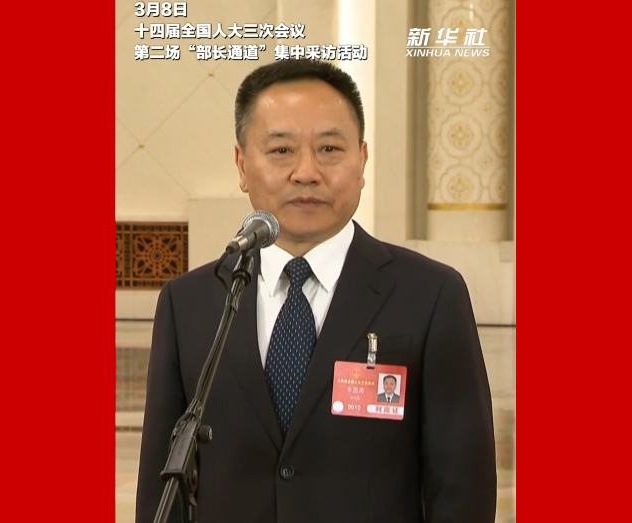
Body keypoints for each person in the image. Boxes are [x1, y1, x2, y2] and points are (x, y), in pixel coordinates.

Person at [135, 59, 496, 523]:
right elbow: (160, 490)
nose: (306, 172)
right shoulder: (190, 304)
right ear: (242, 165)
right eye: (281, 150)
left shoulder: (430, 296)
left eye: (329, 148)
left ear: (362, 161)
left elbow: (462, 489)